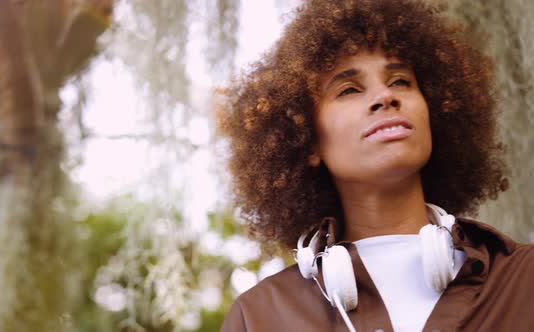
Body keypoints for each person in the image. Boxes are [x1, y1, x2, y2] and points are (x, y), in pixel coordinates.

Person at [216, 0, 534, 331]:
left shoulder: (525, 281)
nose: (385, 96)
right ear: (308, 142)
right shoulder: (260, 316)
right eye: (349, 89)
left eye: (400, 81)